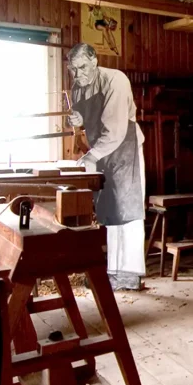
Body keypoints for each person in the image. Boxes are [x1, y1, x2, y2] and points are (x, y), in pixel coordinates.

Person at [67, 43, 145, 290]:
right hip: (101, 150)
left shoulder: (116, 81)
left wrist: (90, 157)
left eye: (81, 68)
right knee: (109, 211)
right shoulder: (78, 87)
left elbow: (115, 130)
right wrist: (78, 121)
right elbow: (85, 120)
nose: (77, 75)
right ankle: (112, 272)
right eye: (72, 70)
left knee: (126, 211)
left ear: (94, 62)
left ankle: (129, 275)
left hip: (124, 148)